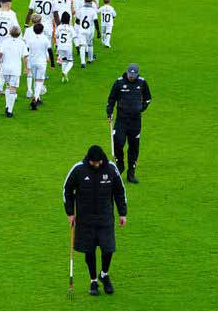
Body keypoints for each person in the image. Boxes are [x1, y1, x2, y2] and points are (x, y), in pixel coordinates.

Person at [63, 145, 127, 296]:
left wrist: (122, 213)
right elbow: (67, 190)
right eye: (93, 163)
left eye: (98, 162)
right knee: (89, 251)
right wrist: (70, 213)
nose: (96, 165)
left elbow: (119, 191)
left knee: (108, 249)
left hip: (105, 218)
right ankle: (93, 281)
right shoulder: (79, 169)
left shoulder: (111, 169)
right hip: (85, 220)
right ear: (89, 160)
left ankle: (104, 274)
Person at [107, 63, 152, 183]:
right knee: (118, 142)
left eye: (134, 74)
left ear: (137, 74)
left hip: (135, 121)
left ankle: (131, 174)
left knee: (133, 147)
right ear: (127, 72)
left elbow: (148, 98)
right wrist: (109, 111)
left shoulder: (142, 82)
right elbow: (111, 99)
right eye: (130, 74)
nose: (131, 76)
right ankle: (120, 165)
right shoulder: (119, 82)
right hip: (121, 120)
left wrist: (141, 108)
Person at [0, 26, 28, 117]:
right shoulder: (21, 43)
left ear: (9, 33)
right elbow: (25, 57)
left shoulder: (5, 42)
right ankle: (10, 111)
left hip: (5, 68)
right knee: (13, 89)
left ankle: (7, 106)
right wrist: (26, 68)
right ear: (19, 34)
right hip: (15, 69)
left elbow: (0, 53)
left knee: (7, 87)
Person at [24, 23, 52, 109]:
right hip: (41, 62)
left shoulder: (30, 39)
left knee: (35, 79)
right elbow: (50, 51)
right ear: (42, 30)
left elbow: (27, 50)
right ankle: (35, 99)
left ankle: (38, 98)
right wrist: (53, 64)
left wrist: (26, 62)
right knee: (40, 80)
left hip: (32, 61)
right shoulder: (45, 39)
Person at [74, 0, 100, 66]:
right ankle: (90, 59)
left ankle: (83, 62)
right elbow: (95, 21)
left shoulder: (81, 9)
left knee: (82, 45)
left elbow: (77, 21)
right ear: (91, 2)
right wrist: (98, 31)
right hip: (90, 30)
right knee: (90, 44)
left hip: (81, 30)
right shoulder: (93, 10)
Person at [53, 12, 76, 82]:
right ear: (69, 19)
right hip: (68, 47)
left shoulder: (59, 27)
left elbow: (56, 36)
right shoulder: (70, 28)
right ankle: (65, 72)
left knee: (64, 61)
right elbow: (74, 36)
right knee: (71, 62)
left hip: (60, 47)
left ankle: (63, 78)